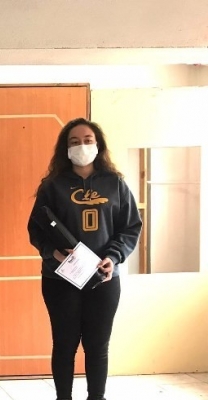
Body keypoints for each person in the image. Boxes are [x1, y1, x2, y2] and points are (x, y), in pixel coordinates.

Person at [27, 118, 142, 400]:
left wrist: (113, 257)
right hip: (60, 279)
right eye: (74, 141)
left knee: (97, 346)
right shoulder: (52, 186)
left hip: (104, 279)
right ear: (65, 148)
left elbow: (130, 227)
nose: (82, 146)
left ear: (98, 145)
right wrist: (53, 254)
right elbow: (36, 229)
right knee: (64, 345)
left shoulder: (115, 184)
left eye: (88, 140)